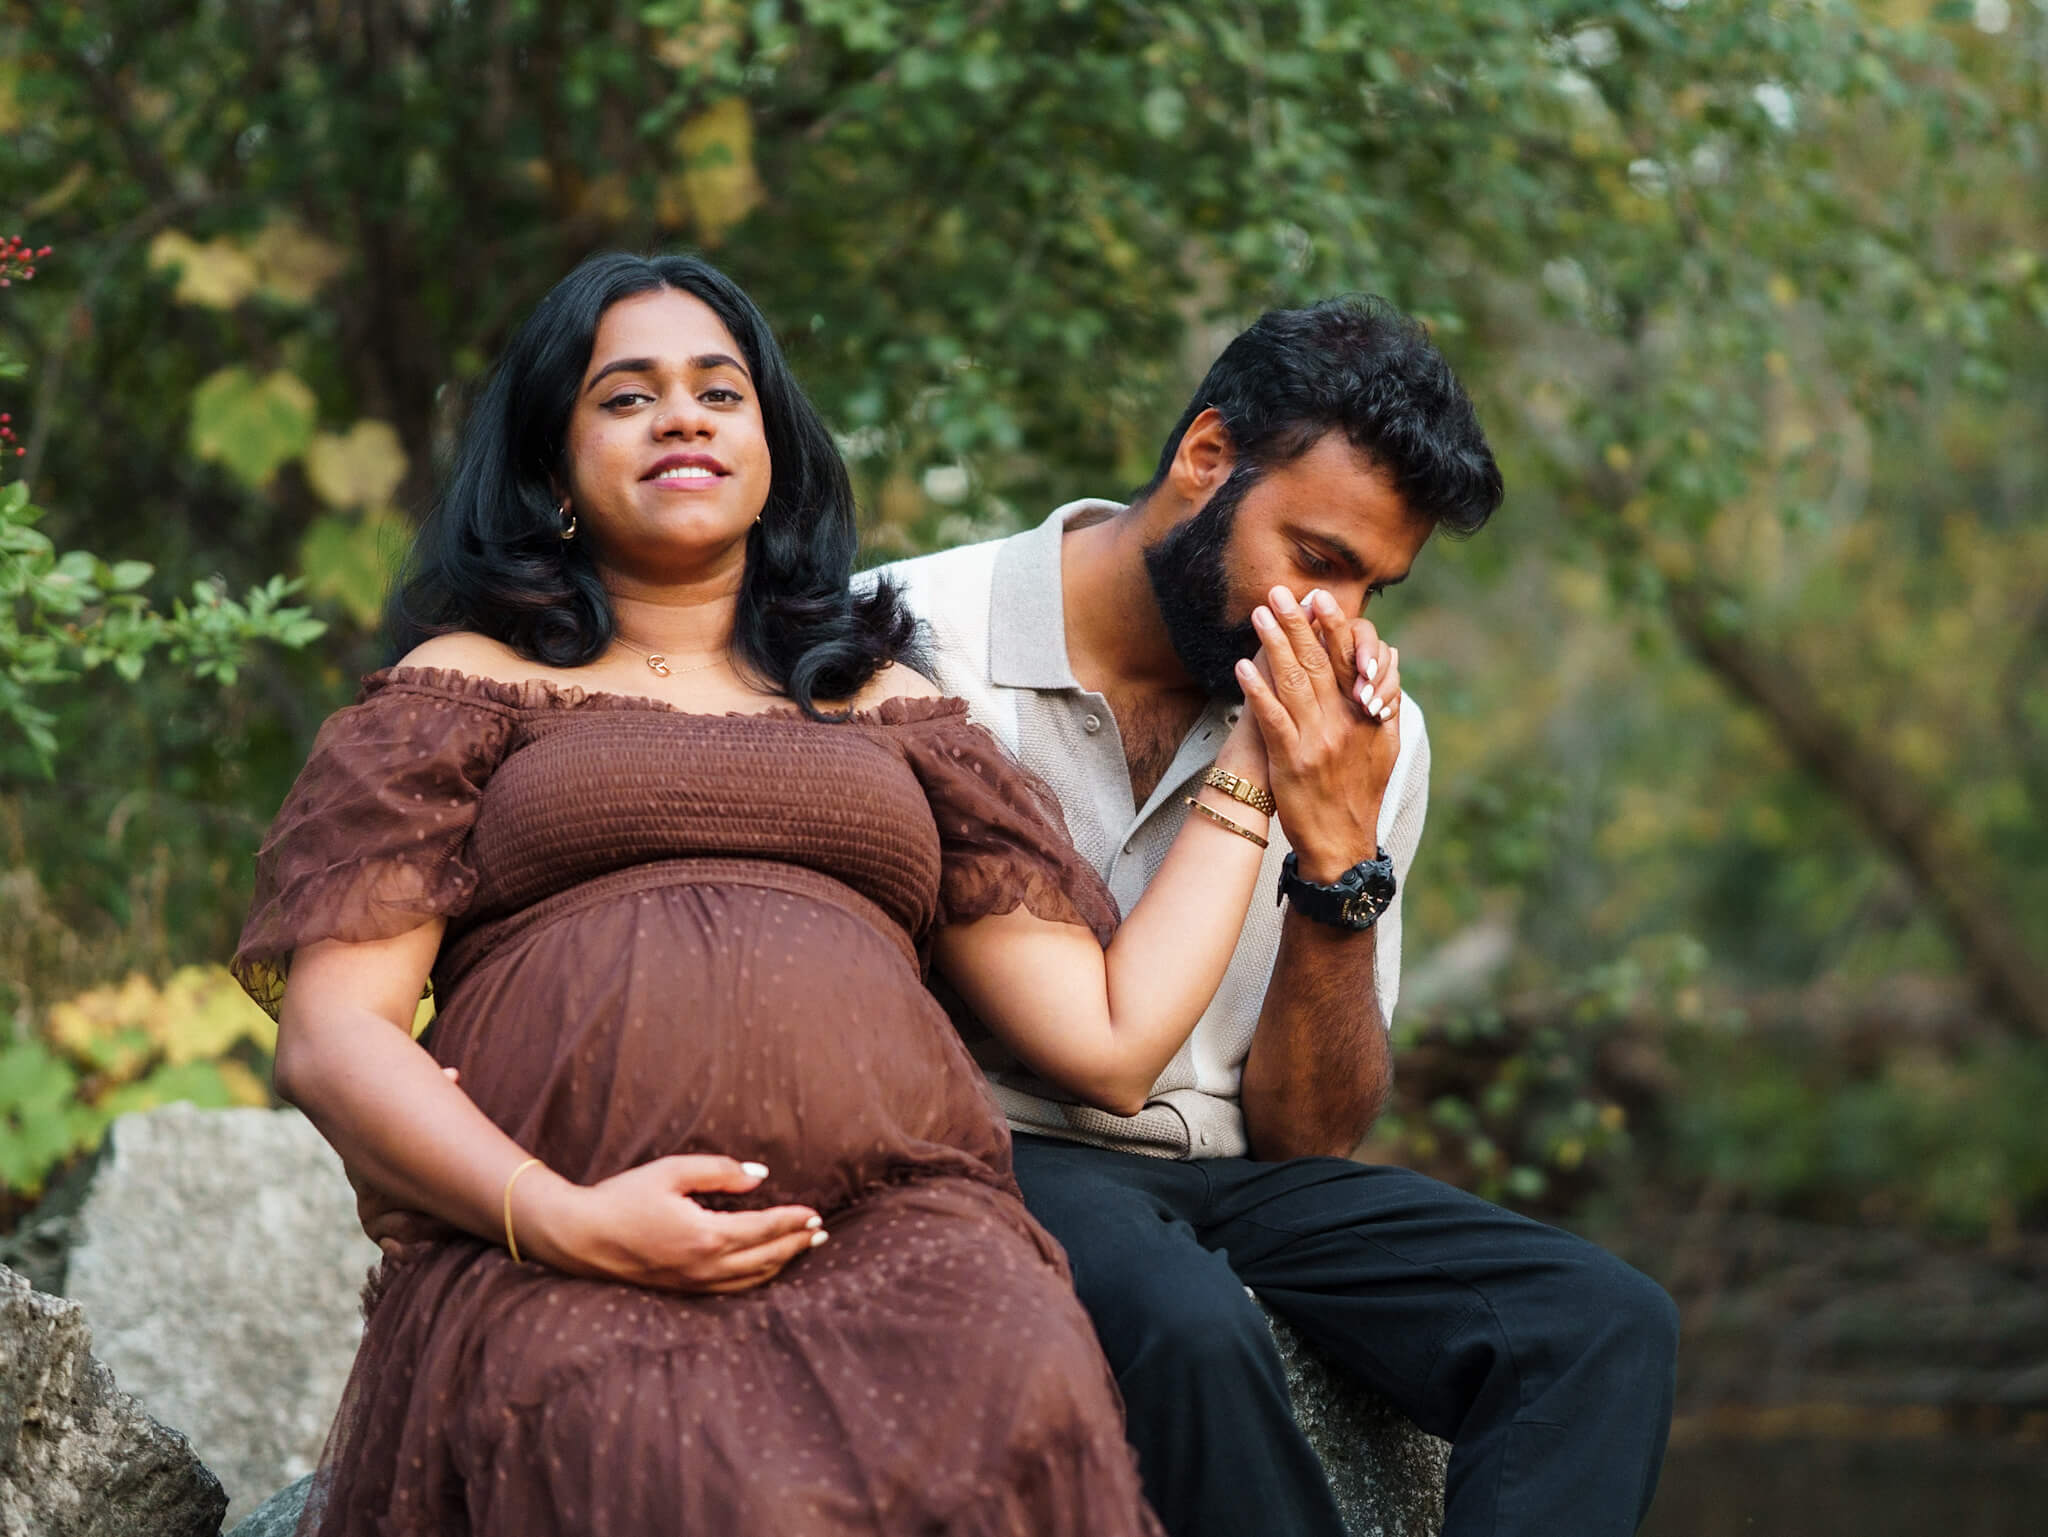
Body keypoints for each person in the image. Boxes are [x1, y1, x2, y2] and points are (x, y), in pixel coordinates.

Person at [232, 251, 1329, 1537]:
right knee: (683, 1471)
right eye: (625, 397)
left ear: (771, 453)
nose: (682, 415)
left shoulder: (885, 701)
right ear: (551, 468)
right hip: (565, 1238)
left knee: (1028, 1377)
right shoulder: (460, 685)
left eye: (718, 390)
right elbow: (331, 1032)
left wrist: (1259, 756)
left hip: (898, 1234)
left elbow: (1110, 1039)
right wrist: (563, 1217)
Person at [876, 297, 1681, 1537]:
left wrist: (1338, 859)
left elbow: (1308, 1134)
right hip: (991, 1150)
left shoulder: (1369, 730)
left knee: (1598, 1323)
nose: (1339, 621)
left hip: (1229, 1177)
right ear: (1205, 459)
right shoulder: (913, 641)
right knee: (1188, 1329)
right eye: (1316, 558)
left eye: (1373, 584)